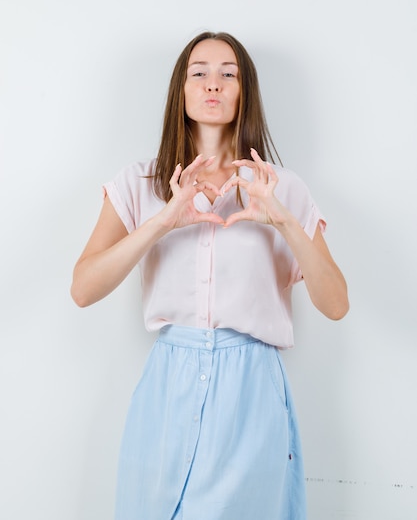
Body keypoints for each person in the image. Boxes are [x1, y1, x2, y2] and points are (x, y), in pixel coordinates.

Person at [71, 31, 349, 520]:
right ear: (181, 89)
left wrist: (282, 219)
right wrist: (161, 222)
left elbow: (336, 304)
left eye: (228, 73)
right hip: (167, 386)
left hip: (252, 390)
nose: (213, 84)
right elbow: (83, 288)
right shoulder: (142, 183)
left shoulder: (279, 188)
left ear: (245, 92)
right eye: (198, 72)